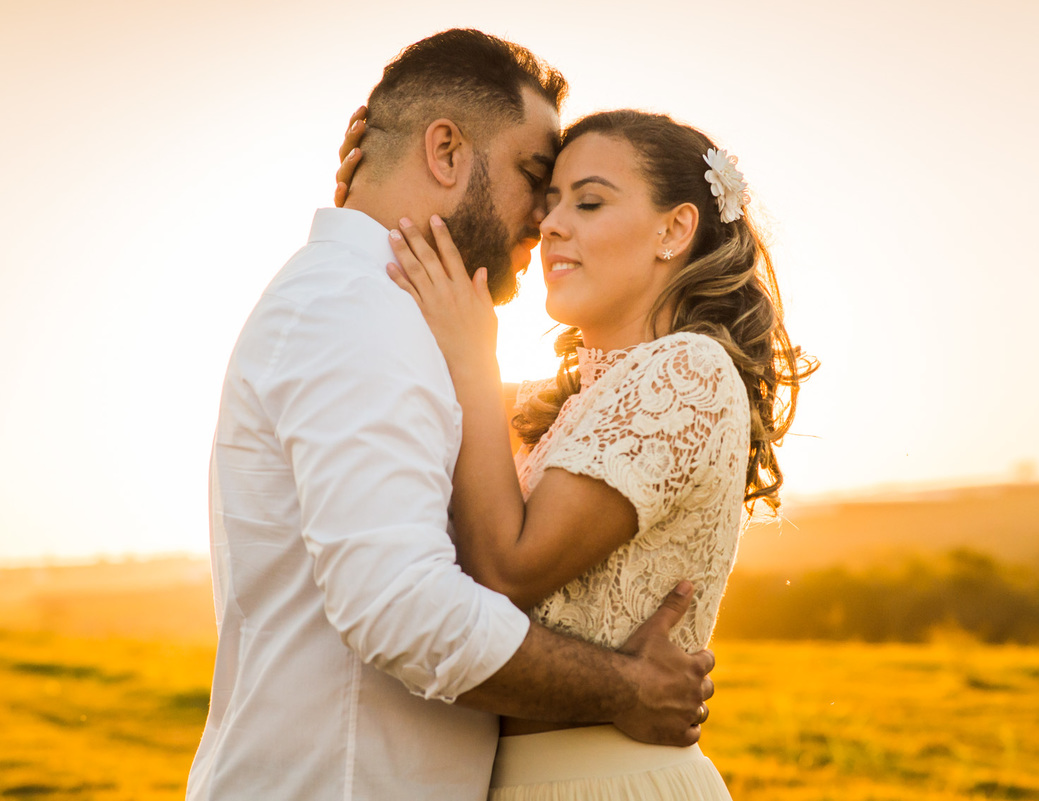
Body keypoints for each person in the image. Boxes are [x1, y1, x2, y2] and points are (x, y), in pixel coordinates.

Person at [187, 30, 716, 801]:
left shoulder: (387, 305)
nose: (544, 216)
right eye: (535, 175)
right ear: (445, 153)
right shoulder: (355, 310)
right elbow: (402, 607)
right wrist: (622, 688)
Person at [376, 109, 816, 798]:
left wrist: (472, 358)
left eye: (588, 201)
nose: (550, 225)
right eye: (549, 205)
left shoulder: (687, 371)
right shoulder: (582, 399)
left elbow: (505, 571)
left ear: (674, 230)